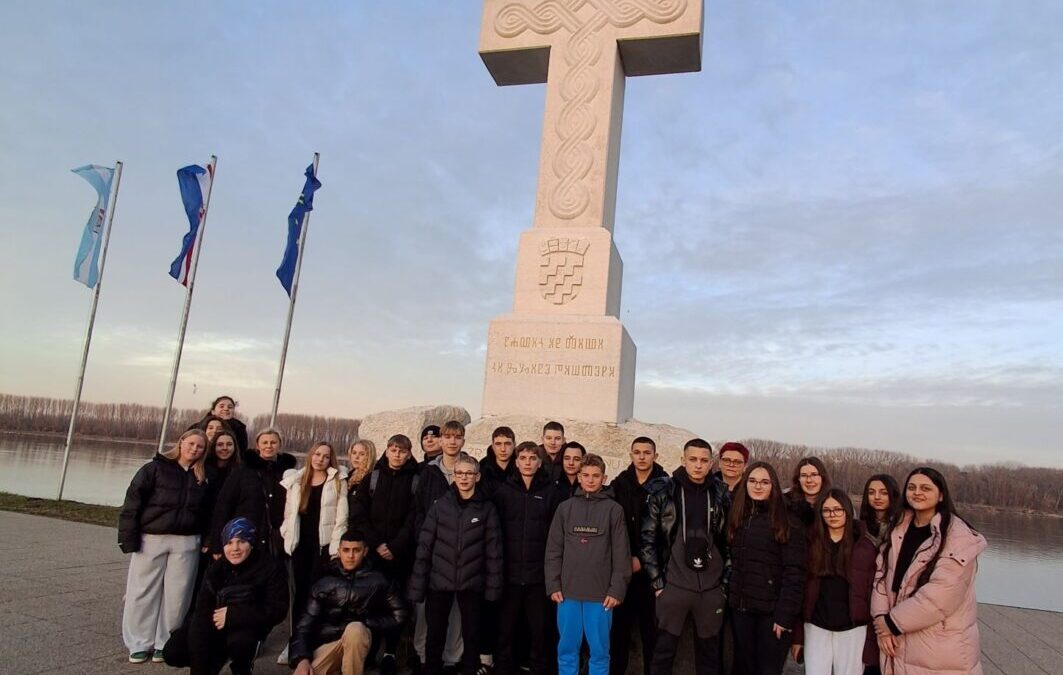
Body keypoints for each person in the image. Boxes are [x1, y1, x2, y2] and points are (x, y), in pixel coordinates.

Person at [871, 467, 987, 675]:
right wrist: (881, 621)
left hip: (937, 644)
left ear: (941, 495)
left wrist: (891, 623)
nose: (917, 492)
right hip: (895, 635)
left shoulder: (957, 537)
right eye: (912, 487)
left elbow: (941, 595)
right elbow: (881, 576)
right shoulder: (897, 528)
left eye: (925, 488)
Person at [639, 438, 731, 675]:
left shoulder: (721, 493)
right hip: (674, 586)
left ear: (712, 463)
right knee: (663, 653)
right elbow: (647, 539)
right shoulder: (664, 491)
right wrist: (658, 583)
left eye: (703, 460)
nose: (698, 465)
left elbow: (730, 542)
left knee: (710, 657)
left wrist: (723, 586)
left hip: (710, 590)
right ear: (683, 460)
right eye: (693, 459)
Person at [118, 429, 211, 664]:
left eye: (200, 447)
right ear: (181, 443)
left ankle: (165, 642)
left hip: (187, 541)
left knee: (177, 595)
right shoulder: (155, 469)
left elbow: (209, 511)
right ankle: (139, 642)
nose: (194, 449)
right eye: (191, 444)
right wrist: (128, 537)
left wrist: (208, 539)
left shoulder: (203, 476)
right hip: (152, 538)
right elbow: (132, 503)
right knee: (143, 591)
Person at [409, 454, 504, 675]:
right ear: (454, 475)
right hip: (439, 581)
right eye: (459, 473)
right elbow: (425, 546)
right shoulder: (440, 506)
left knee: (471, 635)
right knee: (435, 634)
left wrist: (493, 588)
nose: (463, 478)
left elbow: (494, 552)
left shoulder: (486, 509)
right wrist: (417, 585)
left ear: (477, 477)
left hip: (472, 582)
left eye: (469, 473)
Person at [163, 517, 288, 675]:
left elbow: (278, 610)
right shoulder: (215, 569)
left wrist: (234, 615)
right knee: (173, 651)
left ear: (252, 542)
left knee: (240, 643)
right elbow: (201, 614)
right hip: (214, 624)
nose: (235, 548)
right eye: (229, 543)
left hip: (249, 625)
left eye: (242, 541)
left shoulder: (270, 567)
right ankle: (213, 663)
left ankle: (242, 667)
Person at [546, 453, 630, 675]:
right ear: (579, 477)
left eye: (596, 475)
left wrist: (616, 589)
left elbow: (622, 554)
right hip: (567, 593)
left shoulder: (614, 510)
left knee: (600, 651)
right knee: (566, 648)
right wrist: (553, 585)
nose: (590, 480)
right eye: (586, 475)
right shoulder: (565, 508)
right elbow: (553, 550)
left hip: (601, 596)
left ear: (604, 478)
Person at [348, 434, 421, 674]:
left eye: (402, 451)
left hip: (401, 555)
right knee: (370, 602)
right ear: (387, 451)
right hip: (374, 553)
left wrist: (396, 546)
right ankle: (370, 649)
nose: (397, 454)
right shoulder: (373, 477)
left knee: (397, 605)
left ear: (409, 453)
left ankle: (391, 651)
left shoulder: (415, 480)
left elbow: (414, 518)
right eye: (393, 450)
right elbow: (359, 514)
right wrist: (377, 543)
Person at [290, 530, 409, 675]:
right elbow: (304, 625)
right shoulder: (324, 580)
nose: (350, 556)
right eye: (346, 550)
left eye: (356, 550)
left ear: (365, 552)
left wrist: (368, 623)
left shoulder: (379, 580)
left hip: (360, 643)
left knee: (355, 630)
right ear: (339, 551)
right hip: (329, 646)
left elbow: (400, 615)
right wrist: (302, 659)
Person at [727, 461, 807, 675]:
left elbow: (795, 573)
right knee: (743, 667)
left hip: (771, 616)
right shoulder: (739, 516)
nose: (758, 486)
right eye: (752, 481)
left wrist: (784, 616)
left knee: (767, 670)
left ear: (773, 486)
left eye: (765, 482)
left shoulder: (787, 520)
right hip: (742, 608)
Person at [791, 489, 877, 675]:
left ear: (847, 511)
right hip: (816, 626)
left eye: (838, 510)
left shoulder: (865, 546)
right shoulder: (811, 543)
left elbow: (872, 594)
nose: (833, 515)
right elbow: (801, 591)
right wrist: (798, 636)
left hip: (852, 629)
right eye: (827, 510)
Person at [493, 441, 561, 675]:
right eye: (523, 458)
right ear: (516, 461)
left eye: (532, 458)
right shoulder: (503, 492)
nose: (528, 463)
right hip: (509, 575)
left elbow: (556, 537)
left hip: (538, 577)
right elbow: (496, 533)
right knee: (505, 630)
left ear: (540, 462)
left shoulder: (552, 493)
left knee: (539, 631)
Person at [608, 436, 668, 675]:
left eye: (647, 452)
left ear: (655, 455)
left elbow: (667, 531)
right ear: (630, 455)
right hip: (623, 569)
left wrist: (644, 560)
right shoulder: (619, 484)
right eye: (637, 452)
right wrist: (627, 558)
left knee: (651, 634)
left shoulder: (666, 485)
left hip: (653, 573)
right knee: (619, 633)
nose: (642, 457)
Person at [413, 420, 470, 671]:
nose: (452, 441)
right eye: (448, 437)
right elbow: (418, 511)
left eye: (457, 437)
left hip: (462, 554)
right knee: (427, 610)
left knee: (457, 610)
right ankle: (422, 655)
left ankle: (452, 658)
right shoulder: (428, 472)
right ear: (441, 440)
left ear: (463, 441)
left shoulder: (471, 469)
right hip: (433, 552)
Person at [281, 442, 350, 620]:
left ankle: (313, 635)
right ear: (311, 455)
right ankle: (294, 638)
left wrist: (335, 547)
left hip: (323, 545)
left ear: (330, 460)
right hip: (300, 543)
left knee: (317, 590)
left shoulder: (337, 480)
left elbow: (341, 518)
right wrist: (286, 533)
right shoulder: (297, 480)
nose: (320, 459)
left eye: (326, 456)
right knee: (299, 590)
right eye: (317, 454)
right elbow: (289, 513)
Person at [210, 428, 296, 556]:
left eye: (273, 442)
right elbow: (224, 505)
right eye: (264, 442)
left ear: (280, 445)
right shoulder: (243, 470)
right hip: (245, 536)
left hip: (277, 538)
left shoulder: (289, 473)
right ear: (257, 445)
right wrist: (217, 543)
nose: (269, 446)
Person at [788, 457, 831, 527]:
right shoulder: (785, 504)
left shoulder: (836, 504)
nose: (809, 480)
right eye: (804, 475)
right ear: (798, 479)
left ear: (822, 477)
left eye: (814, 475)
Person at [859, 474, 901, 544]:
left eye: (884, 493)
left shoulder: (901, 525)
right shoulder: (860, 527)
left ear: (893, 495)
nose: (877, 497)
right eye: (871, 493)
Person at [480, 425, 516, 497]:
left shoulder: (523, 466)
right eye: (498, 444)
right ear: (493, 446)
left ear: (514, 445)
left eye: (507, 444)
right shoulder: (482, 467)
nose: (503, 449)